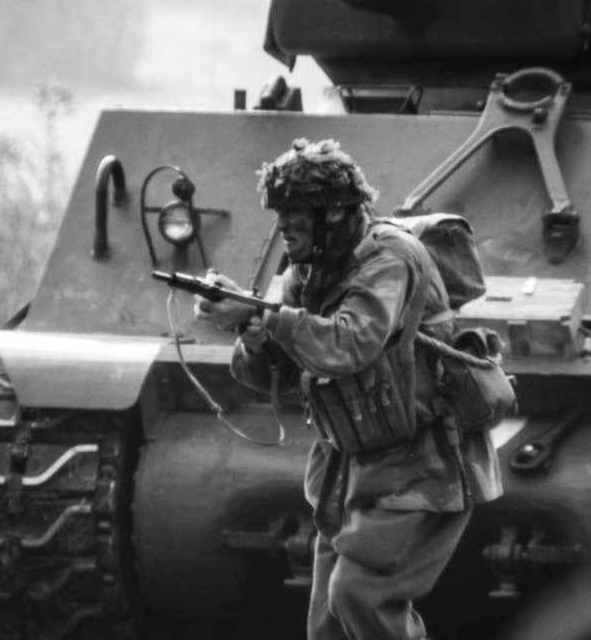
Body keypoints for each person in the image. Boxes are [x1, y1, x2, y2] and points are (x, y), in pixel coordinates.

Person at [195, 138, 502, 640]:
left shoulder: (389, 259)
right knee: (328, 626)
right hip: (352, 470)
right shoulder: (308, 270)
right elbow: (280, 375)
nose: (283, 228)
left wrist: (265, 317)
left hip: (422, 463)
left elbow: (350, 345)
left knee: (360, 596)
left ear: (335, 213)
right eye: (279, 215)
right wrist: (252, 331)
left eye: (296, 215)